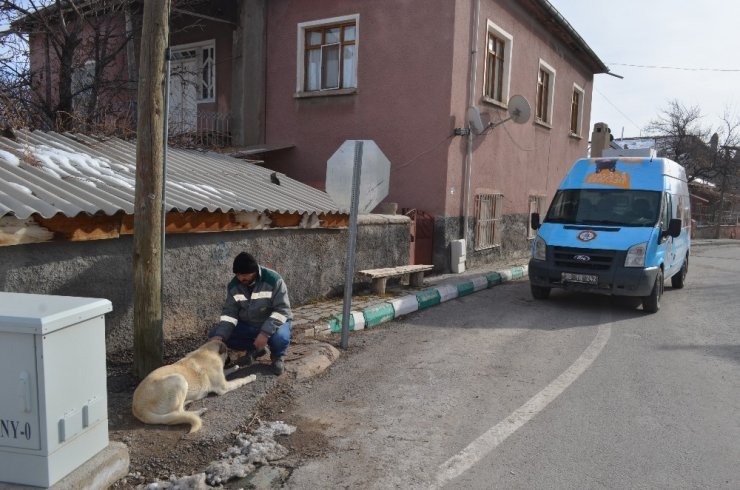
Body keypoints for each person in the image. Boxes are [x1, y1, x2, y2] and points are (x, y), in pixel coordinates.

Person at [209, 252, 293, 375]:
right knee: (214, 333)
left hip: (275, 323)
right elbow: (229, 314)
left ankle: (277, 357)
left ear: (254, 272)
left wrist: (265, 333)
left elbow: (282, 310)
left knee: (280, 338)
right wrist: (220, 336)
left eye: (244, 275)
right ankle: (255, 350)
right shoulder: (234, 286)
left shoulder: (273, 280)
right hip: (250, 325)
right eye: (237, 275)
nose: (240, 278)